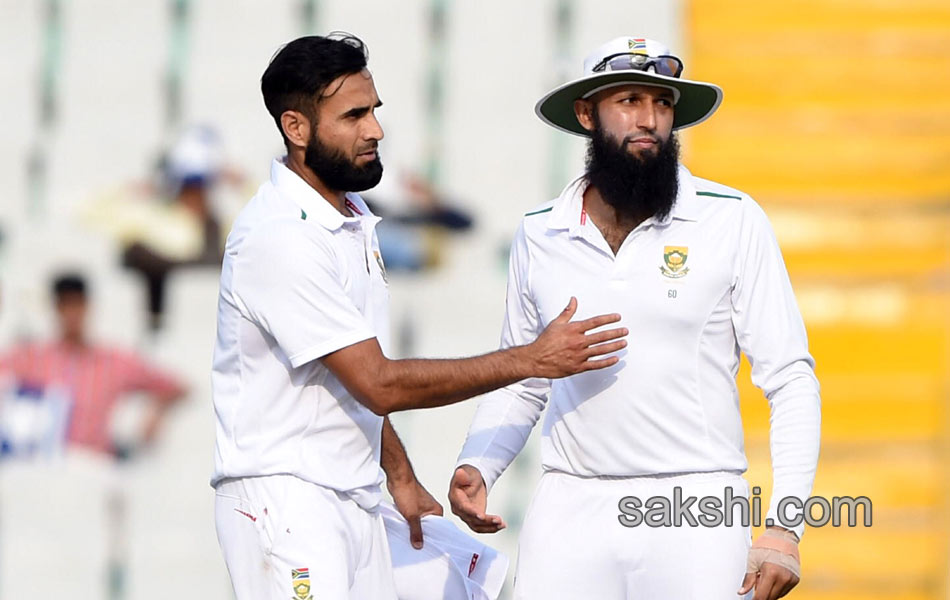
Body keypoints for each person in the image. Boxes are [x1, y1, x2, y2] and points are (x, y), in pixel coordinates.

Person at [210, 33, 627, 600]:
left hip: (348, 497)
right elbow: (376, 383)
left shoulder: (347, 215)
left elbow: (340, 373)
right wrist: (532, 359)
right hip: (284, 505)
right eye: (354, 115)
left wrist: (399, 476)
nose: (376, 129)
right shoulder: (281, 237)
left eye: (374, 109)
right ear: (297, 128)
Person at [449, 37, 821, 600]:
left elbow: (790, 378)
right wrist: (479, 463)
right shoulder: (540, 231)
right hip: (570, 506)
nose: (649, 120)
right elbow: (525, 377)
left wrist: (786, 525)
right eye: (628, 100)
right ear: (585, 113)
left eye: (663, 104)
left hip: (695, 507)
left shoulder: (731, 219)